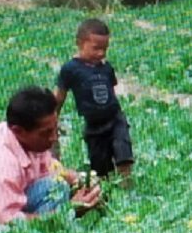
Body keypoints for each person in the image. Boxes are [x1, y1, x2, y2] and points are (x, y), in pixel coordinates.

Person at [0, 86, 101, 229]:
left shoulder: (26, 140)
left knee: (57, 183)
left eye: (55, 129)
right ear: (19, 131)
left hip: (6, 206)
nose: (54, 138)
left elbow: (48, 168)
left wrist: (78, 179)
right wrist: (69, 209)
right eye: (46, 133)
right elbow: (4, 223)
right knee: (57, 189)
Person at [55, 18, 134, 182]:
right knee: (101, 169)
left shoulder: (106, 67)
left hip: (115, 119)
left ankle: (128, 187)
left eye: (105, 49)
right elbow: (60, 96)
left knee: (123, 154)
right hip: (93, 126)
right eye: (96, 48)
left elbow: (111, 93)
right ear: (80, 43)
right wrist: (53, 119)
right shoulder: (70, 69)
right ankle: (107, 192)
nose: (101, 53)